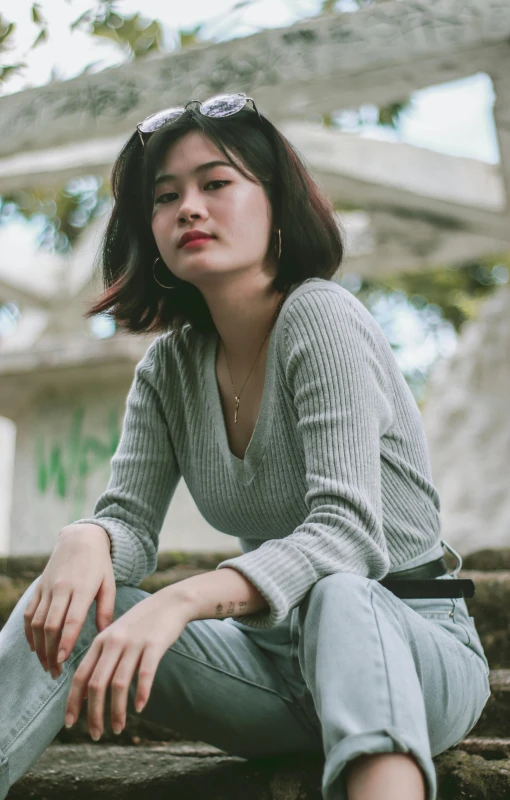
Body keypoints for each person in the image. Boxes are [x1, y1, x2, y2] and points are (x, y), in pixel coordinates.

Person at [0, 93, 490, 800]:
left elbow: (348, 535)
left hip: (409, 649)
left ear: (276, 202)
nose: (188, 208)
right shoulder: (168, 369)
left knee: (341, 597)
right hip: (268, 671)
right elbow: (130, 529)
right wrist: (86, 539)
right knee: (70, 601)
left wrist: (179, 602)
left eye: (216, 183)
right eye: (165, 196)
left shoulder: (320, 316)